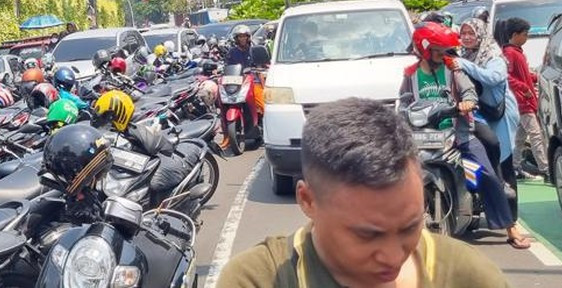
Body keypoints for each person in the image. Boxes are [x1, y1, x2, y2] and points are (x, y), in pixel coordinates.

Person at [217, 98, 510, 288]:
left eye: (411, 226)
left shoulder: (468, 276)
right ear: (307, 200)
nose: (393, 256)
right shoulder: (258, 280)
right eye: (368, 235)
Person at [400, 23, 529, 250]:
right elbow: (404, 101)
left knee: (485, 174)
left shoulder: (453, 68)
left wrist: (468, 101)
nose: (443, 55)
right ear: (425, 49)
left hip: (458, 135)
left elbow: (468, 89)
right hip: (423, 136)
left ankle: (510, 226)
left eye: (444, 50)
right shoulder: (410, 74)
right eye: (438, 51)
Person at [455, 19, 523, 215]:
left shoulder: (493, 56)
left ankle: (511, 215)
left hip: (500, 114)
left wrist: (466, 65)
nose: (467, 37)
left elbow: (494, 78)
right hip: (478, 113)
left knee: (503, 159)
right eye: (464, 33)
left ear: (481, 35)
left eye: (471, 33)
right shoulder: (464, 55)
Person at [497, 17, 548, 178]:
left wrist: (534, 78)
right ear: (515, 34)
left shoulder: (515, 53)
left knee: (520, 137)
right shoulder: (510, 54)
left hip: (523, 100)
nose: (526, 38)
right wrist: (523, 87)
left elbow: (522, 74)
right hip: (522, 101)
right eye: (524, 34)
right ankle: (545, 168)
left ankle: (515, 165)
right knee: (536, 134)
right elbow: (506, 76)